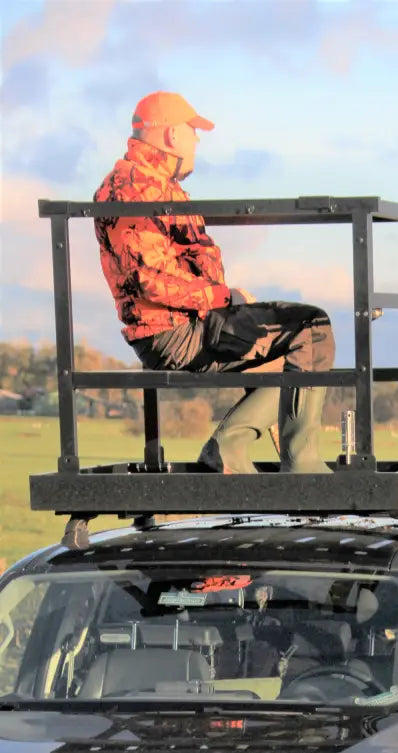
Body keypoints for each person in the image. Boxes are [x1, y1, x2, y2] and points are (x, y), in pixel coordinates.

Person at [94, 91, 335, 473]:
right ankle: (281, 461)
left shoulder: (153, 185)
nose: (198, 141)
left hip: (189, 324)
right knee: (311, 329)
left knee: (287, 350)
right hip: (178, 332)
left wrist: (229, 302)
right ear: (172, 136)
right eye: (193, 132)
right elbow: (150, 279)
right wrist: (224, 296)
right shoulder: (134, 188)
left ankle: (245, 453)